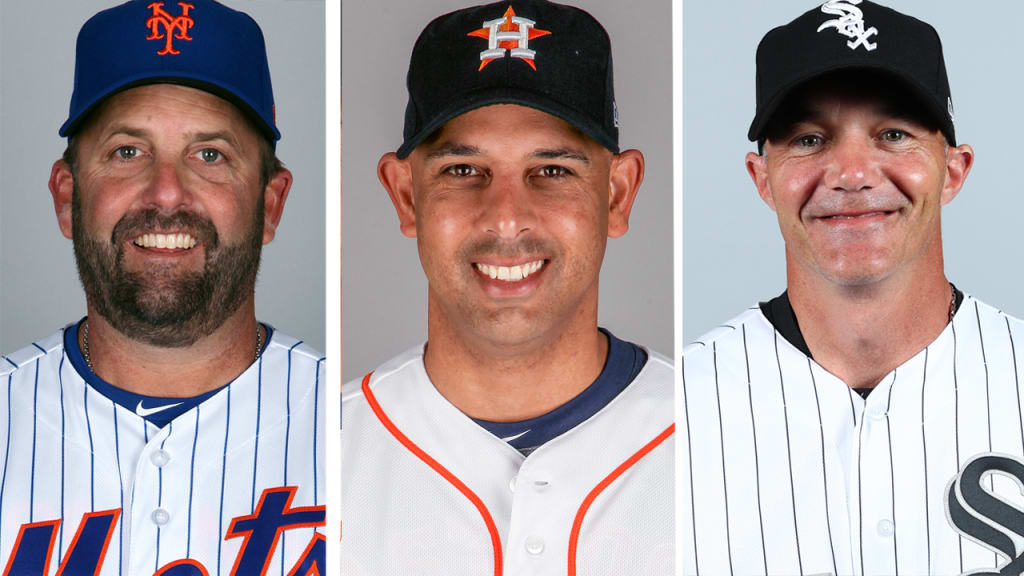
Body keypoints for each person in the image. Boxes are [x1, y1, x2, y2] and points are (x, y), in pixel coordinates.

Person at [681, 1, 1024, 575]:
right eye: (810, 140)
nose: (852, 172)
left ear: (954, 169)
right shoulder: (678, 410)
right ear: (762, 179)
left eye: (893, 134)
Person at [340, 1, 674, 575]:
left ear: (617, 195)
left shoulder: (726, 450)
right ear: (406, 195)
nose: (506, 219)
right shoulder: (324, 451)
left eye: (553, 171)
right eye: (463, 171)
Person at [0, 1, 325, 574]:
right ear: (66, 196)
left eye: (210, 155)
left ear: (270, 204)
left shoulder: (347, 429)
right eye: (128, 152)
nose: (167, 194)